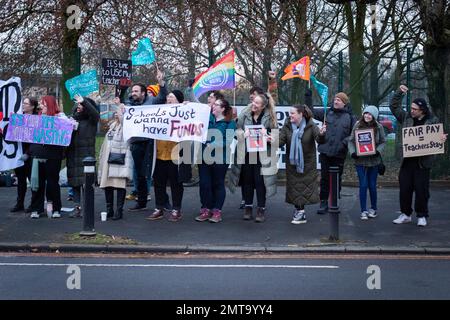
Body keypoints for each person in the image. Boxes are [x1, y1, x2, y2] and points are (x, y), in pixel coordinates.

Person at [390, 85, 448, 227]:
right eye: (412, 108)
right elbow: (394, 106)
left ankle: (422, 215)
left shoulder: (432, 121)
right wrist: (399, 93)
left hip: (423, 163)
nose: (412, 110)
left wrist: (441, 139)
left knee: (422, 191)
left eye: (415, 109)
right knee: (404, 189)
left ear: (422, 110)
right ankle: (405, 214)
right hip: (407, 162)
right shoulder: (406, 118)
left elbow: (438, 137)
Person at [227, 93, 278, 222]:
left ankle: (261, 209)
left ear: (263, 106)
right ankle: (248, 207)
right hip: (246, 154)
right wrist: (244, 134)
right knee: (247, 181)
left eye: (257, 103)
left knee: (260, 182)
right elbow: (236, 130)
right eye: (253, 102)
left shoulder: (270, 117)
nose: (253, 105)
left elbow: (276, 138)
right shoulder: (245, 114)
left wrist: (267, 136)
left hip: (262, 155)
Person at [124, 70, 167, 212]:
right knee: (140, 174)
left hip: (150, 143)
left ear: (143, 93)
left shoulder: (152, 102)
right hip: (136, 144)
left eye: (136, 91)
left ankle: (164, 202)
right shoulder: (130, 105)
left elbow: (162, 97)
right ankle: (141, 202)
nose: (133, 93)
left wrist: (161, 83)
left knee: (154, 173)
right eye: (132, 91)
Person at [146, 90, 192, 222]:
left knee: (176, 184)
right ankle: (159, 208)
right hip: (160, 154)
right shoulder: (160, 112)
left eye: (171, 97)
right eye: (167, 97)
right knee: (159, 183)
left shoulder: (185, 113)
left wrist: (187, 107)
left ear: (179, 100)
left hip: (176, 156)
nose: (168, 99)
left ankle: (176, 209)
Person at [279, 104, 324, 224]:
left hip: (307, 164)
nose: (290, 115)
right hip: (292, 164)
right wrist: (271, 139)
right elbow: (280, 141)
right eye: (290, 113)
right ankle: (299, 211)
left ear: (301, 114)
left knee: (303, 189)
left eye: (293, 113)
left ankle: (300, 212)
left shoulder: (311, 125)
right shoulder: (287, 125)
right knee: (295, 189)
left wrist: (322, 134)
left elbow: (319, 139)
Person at [313, 92, 356, 214]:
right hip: (325, 152)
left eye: (339, 100)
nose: (336, 102)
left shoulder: (350, 117)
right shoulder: (327, 113)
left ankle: (334, 202)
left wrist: (344, 143)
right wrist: (308, 96)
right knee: (324, 178)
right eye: (335, 99)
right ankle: (323, 202)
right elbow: (310, 111)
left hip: (339, 153)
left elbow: (353, 135)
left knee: (337, 178)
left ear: (344, 103)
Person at [195, 98, 236, 223]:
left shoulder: (230, 122)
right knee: (204, 184)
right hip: (204, 157)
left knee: (218, 184)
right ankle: (205, 209)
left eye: (216, 105)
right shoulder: (207, 118)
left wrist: (214, 144)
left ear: (223, 108)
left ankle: (217, 211)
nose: (213, 106)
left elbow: (228, 140)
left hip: (220, 158)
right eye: (214, 104)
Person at [29, 96, 66, 219]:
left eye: (44, 104)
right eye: (40, 104)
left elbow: (69, 128)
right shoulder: (37, 118)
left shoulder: (60, 117)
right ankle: (36, 209)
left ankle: (56, 208)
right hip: (38, 155)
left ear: (50, 105)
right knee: (37, 184)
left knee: (52, 183)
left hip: (53, 156)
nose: (41, 106)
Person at [348, 105, 386, 220]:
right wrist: (353, 152)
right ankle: (363, 210)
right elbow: (351, 141)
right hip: (360, 161)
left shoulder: (379, 127)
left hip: (374, 161)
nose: (367, 116)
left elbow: (383, 141)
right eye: (366, 113)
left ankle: (373, 209)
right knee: (363, 185)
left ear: (374, 116)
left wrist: (377, 151)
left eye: (370, 114)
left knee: (372, 186)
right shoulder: (357, 125)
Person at [66, 94, 100, 218]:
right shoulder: (71, 120)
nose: (79, 107)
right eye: (78, 105)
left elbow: (95, 114)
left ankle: (88, 209)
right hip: (73, 156)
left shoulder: (91, 121)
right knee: (75, 185)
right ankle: (77, 208)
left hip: (86, 158)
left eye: (81, 105)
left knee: (87, 185)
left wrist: (84, 101)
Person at [97, 103, 133, 220]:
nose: (117, 115)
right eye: (116, 113)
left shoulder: (126, 126)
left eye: (119, 113)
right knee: (108, 185)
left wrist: (119, 106)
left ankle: (119, 210)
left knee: (119, 185)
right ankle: (109, 209)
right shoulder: (112, 126)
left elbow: (124, 121)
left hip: (119, 160)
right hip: (108, 160)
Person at [10, 97, 39, 213]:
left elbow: (35, 138)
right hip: (19, 154)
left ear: (32, 106)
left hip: (30, 155)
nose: (23, 105)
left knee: (32, 181)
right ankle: (19, 203)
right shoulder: (19, 118)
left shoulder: (37, 119)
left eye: (26, 103)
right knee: (20, 180)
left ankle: (33, 204)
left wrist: (28, 153)